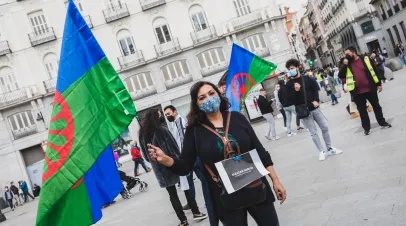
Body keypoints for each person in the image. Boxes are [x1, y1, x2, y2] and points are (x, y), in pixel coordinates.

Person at [148, 81, 286, 226]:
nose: (208, 99)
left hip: (255, 185)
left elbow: (260, 152)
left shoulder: (237, 118)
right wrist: (165, 159)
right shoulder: (194, 130)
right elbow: (185, 166)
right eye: (202, 97)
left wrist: (275, 180)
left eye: (211, 93)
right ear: (197, 104)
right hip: (225, 196)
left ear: (219, 95)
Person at [139, 109, 207, 226]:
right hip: (172, 163)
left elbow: (145, 156)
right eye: (160, 115)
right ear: (156, 117)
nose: (162, 117)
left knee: (172, 195)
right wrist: (179, 161)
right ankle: (196, 212)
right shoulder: (162, 130)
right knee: (186, 187)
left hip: (160, 170)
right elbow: (174, 147)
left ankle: (183, 221)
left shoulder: (142, 135)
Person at [285, 58, 343, 161]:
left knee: (324, 127)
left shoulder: (307, 78)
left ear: (298, 67)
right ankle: (321, 151)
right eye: (289, 69)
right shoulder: (289, 84)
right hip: (304, 112)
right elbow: (290, 100)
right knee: (313, 132)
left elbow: (316, 90)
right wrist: (296, 91)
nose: (291, 70)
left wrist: (317, 100)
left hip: (315, 108)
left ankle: (329, 148)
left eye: (292, 68)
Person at [341, 46, 392, 135]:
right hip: (357, 92)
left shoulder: (365, 59)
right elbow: (341, 75)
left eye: (348, 54)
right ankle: (366, 128)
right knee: (362, 111)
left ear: (354, 52)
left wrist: (379, 83)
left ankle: (382, 122)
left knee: (376, 106)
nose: (346, 56)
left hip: (370, 88)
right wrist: (345, 65)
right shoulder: (347, 63)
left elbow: (375, 70)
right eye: (346, 55)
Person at [164, 105, 202, 211]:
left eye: (169, 113)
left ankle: (193, 202)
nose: (167, 116)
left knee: (197, 179)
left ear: (175, 112)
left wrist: (182, 157)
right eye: (166, 115)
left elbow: (182, 140)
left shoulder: (179, 122)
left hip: (189, 158)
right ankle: (191, 202)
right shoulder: (176, 123)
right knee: (193, 180)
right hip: (190, 157)